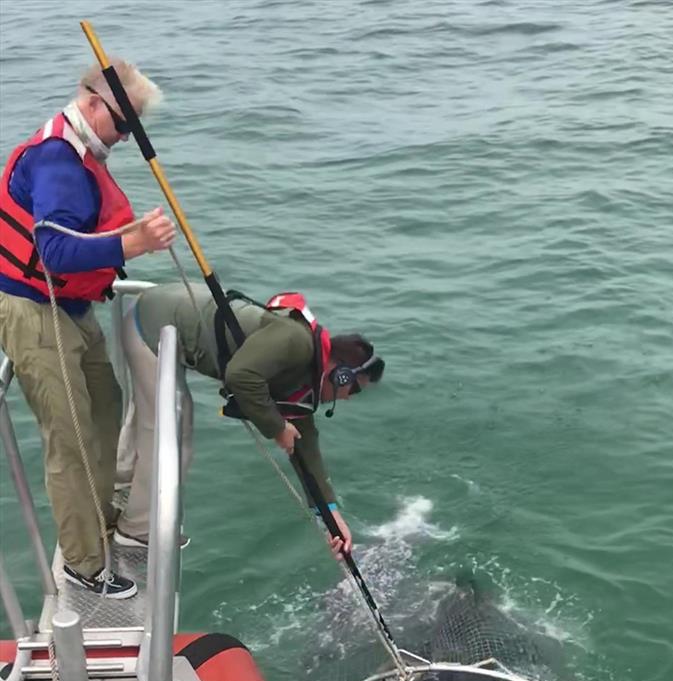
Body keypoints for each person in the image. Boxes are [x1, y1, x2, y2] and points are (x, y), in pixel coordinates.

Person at [0, 60, 176, 599]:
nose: (125, 137)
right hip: (34, 310)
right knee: (71, 437)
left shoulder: (84, 149)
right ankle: (83, 564)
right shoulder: (58, 159)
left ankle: (99, 515)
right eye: (123, 123)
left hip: (74, 308)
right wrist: (134, 244)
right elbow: (53, 251)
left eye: (134, 128)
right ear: (93, 102)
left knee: (105, 403)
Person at [115, 283, 385, 557]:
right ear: (341, 375)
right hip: (152, 324)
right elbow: (240, 376)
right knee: (171, 436)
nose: (350, 398)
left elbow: (305, 448)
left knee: (151, 421)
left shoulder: (304, 375)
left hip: (160, 311)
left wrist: (331, 517)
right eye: (355, 388)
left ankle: (121, 485)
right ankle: (135, 529)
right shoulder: (297, 344)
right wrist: (277, 427)